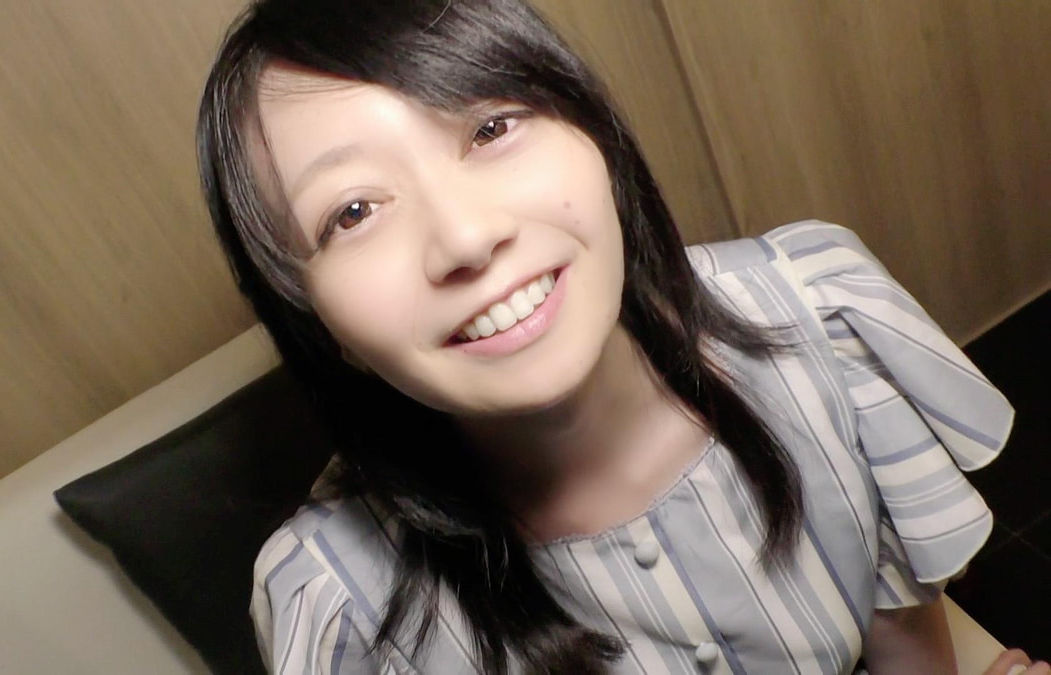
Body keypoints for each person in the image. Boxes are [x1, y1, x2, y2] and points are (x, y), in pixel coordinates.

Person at [196, 0, 1037, 672]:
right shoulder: (341, 605)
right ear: (316, 321)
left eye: (489, 127)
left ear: (592, 130)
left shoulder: (815, 317)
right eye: (352, 211)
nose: (465, 237)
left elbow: (900, 639)